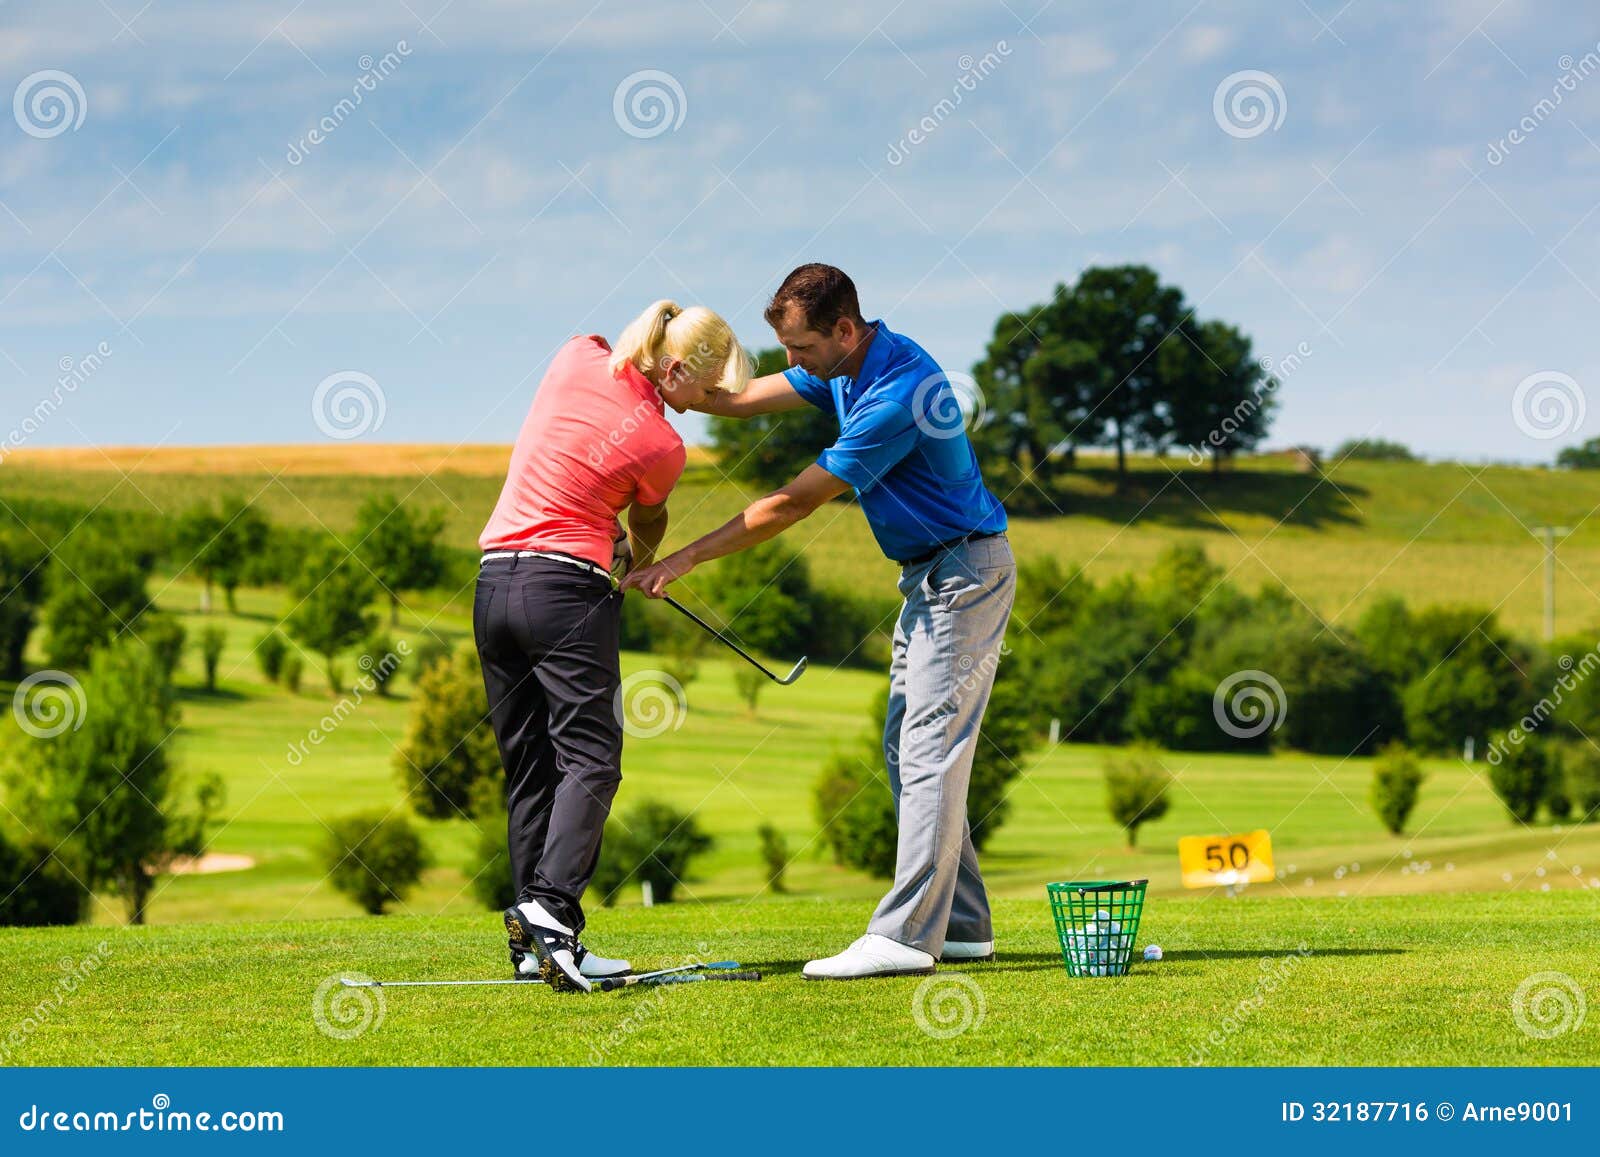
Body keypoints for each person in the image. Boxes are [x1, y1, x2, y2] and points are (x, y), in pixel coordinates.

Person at [624, 264, 1015, 980]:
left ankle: (904, 935)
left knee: (931, 746)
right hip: (930, 578)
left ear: (843, 329)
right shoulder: (840, 364)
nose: (793, 364)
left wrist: (676, 561)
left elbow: (792, 502)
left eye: (800, 349)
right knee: (908, 745)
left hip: (964, 574)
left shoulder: (898, 392)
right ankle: (960, 924)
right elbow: (742, 398)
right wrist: (667, 388)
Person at [477, 300, 751, 992]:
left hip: (492, 584)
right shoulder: (664, 446)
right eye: (709, 388)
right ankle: (553, 911)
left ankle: (534, 944)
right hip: (565, 590)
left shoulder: (576, 356)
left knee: (532, 764)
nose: (710, 404)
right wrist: (636, 563)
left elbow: (593, 373)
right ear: (680, 368)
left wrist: (615, 537)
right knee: (593, 759)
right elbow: (646, 518)